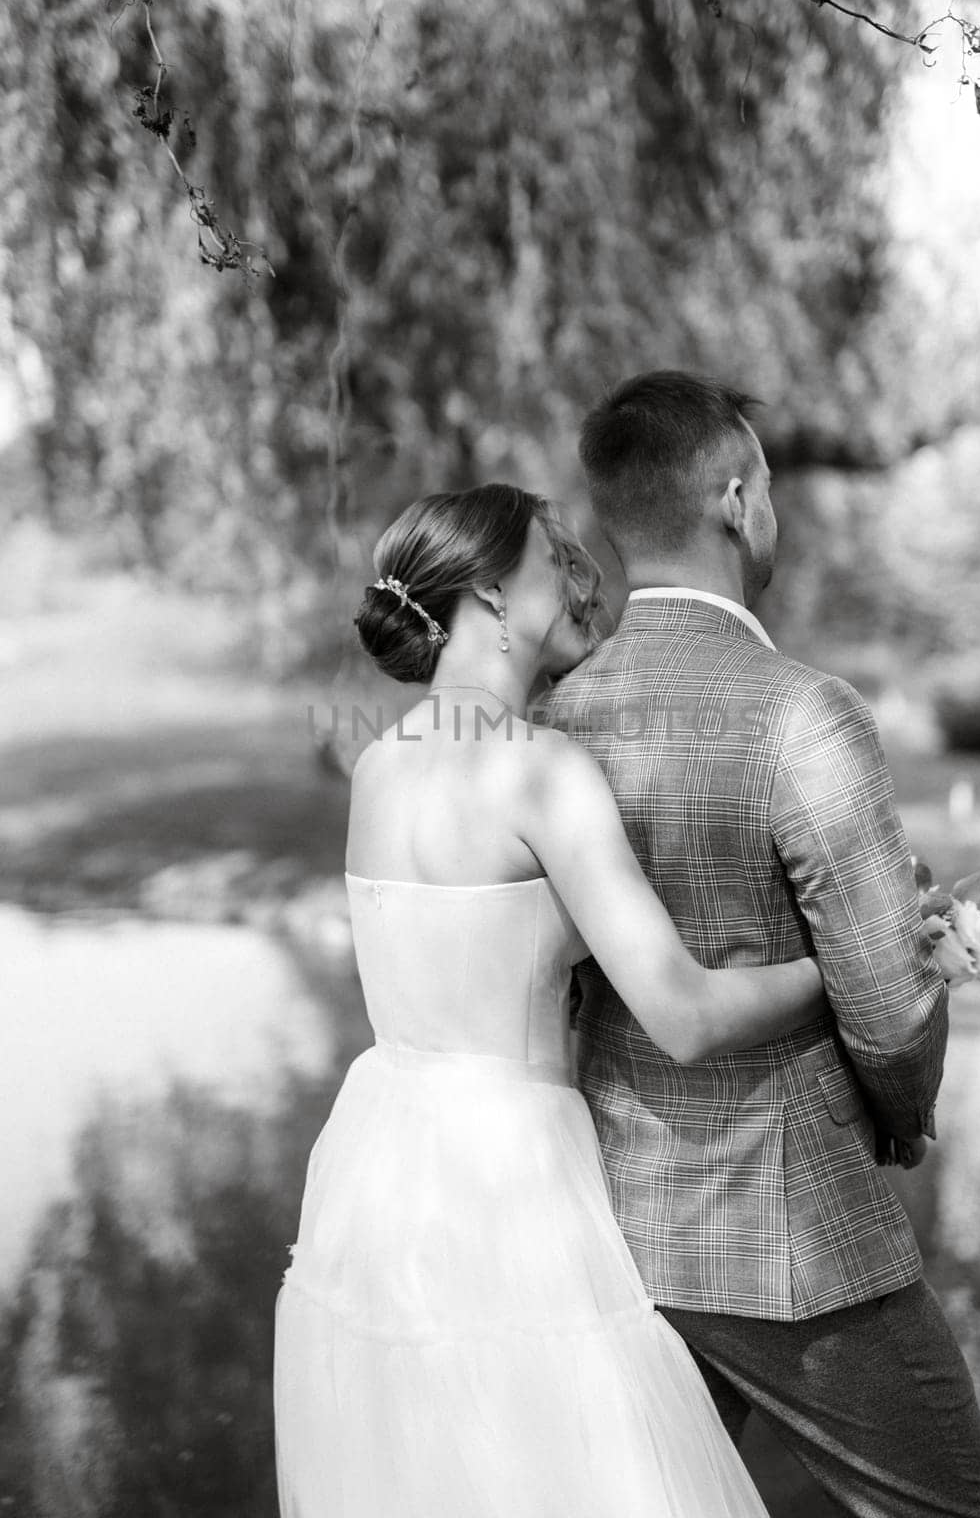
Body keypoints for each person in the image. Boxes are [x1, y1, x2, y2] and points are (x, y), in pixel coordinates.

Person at [273, 483, 829, 1518]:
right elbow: (684, 1013)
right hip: (512, 1185)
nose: (578, 570)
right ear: (490, 587)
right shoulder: (542, 773)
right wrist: (839, 973)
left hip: (380, 1171)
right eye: (554, 554)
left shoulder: (377, 769)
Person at [543, 369, 980, 1518]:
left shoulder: (559, 711)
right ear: (736, 497)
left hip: (621, 1224)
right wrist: (905, 1113)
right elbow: (889, 1007)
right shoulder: (802, 712)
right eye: (765, 486)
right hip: (793, 1238)